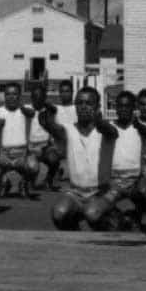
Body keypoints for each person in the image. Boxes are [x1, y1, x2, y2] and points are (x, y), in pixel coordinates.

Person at [39, 86, 122, 231]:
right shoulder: (68, 129)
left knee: (92, 214)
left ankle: (115, 218)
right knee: (59, 213)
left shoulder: (106, 130)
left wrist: (99, 121)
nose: (83, 107)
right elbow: (53, 127)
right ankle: (75, 233)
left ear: (98, 106)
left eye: (89, 103)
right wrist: (48, 117)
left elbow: (112, 132)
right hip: (76, 192)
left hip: (101, 191)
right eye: (79, 103)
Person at [107, 91, 146, 223]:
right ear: (116, 108)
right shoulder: (109, 127)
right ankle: (118, 216)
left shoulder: (140, 128)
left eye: (127, 106)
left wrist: (137, 124)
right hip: (113, 179)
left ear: (133, 108)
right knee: (99, 211)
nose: (124, 109)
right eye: (120, 106)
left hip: (135, 179)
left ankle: (137, 215)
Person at [0, 83, 40, 199]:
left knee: (34, 167)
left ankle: (24, 183)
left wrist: (20, 106)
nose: (11, 97)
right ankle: (4, 182)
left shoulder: (27, 110)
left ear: (20, 96)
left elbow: (31, 113)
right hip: (3, 154)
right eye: (8, 94)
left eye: (15, 94)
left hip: (22, 153)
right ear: (4, 96)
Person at [27, 82, 57, 190]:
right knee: (33, 167)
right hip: (30, 147)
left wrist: (51, 143)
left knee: (54, 158)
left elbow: (54, 129)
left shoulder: (50, 111)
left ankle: (48, 181)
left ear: (45, 97)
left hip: (45, 147)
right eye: (35, 96)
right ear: (31, 97)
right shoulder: (26, 111)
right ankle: (29, 181)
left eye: (41, 97)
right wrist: (30, 148)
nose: (38, 99)